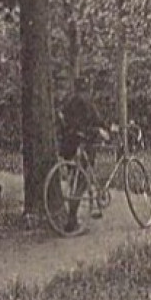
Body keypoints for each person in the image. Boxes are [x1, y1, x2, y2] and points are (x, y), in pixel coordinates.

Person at [56, 81, 107, 233]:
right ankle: (72, 220)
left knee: (74, 178)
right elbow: (97, 119)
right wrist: (107, 128)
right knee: (82, 181)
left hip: (69, 144)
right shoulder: (86, 100)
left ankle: (84, 206)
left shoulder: (69, 100)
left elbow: (61, 118)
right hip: (83, 142)